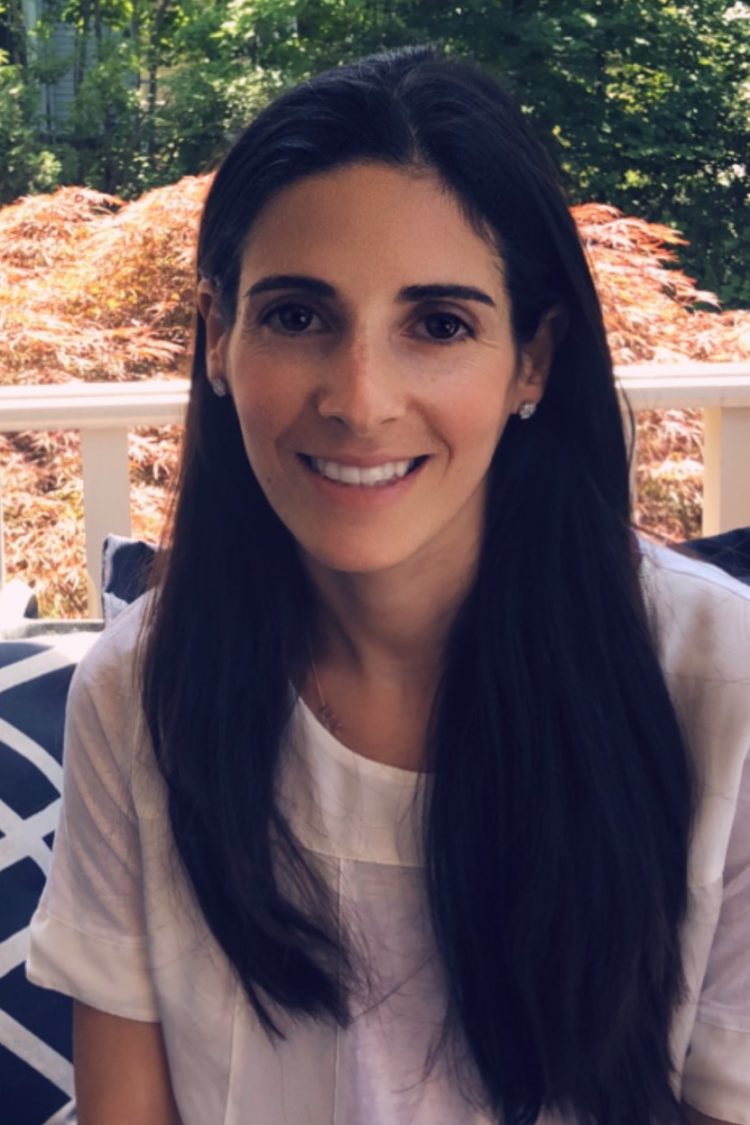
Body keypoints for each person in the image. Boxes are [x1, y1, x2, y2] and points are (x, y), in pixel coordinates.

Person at [27, 46, 750, 1125]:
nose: (361, 400)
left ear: (534, 361)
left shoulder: (722, 688)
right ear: (219, 339)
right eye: (298, 316)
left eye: (440, 324)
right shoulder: (143, 691)